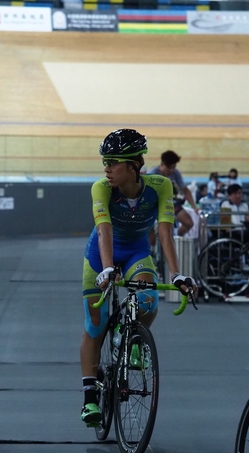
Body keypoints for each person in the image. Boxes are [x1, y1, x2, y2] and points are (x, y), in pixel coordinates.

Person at [80, 129, 197, 427]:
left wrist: (177, 273)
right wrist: (108, 268)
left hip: (136, 251)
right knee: (95, 323)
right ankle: (89, 397)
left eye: (113, 162)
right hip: (100, 253)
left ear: (134, 165)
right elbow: (104, 230)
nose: (106, 168)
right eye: (104, 161)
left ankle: (131, 338)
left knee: (148, 298)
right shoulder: (101, 188)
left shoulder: (161, 186)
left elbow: (165, 232)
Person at [146, 150, 198, 236]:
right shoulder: (152, 174)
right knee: (154, 232)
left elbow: (185, 190)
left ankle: (176, 236)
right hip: (153, 203)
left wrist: (194, 207)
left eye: (173, 167)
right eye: (169, 168)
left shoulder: (175, 173)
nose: (171, 170)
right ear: (162, 164)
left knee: (189, 223)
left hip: (168, 202)